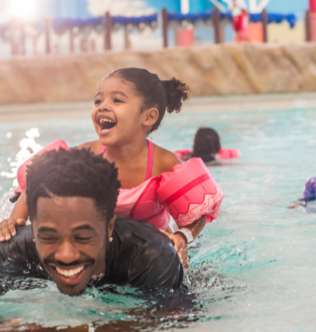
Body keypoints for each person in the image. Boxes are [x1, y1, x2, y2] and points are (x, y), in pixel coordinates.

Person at [0, 68, 223, 266]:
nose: (103, 107)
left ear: (148, 116)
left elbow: (196, 214)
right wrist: (13, 222)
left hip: (144, 253)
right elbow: (38, 178)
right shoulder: (86, 155)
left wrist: (182, 237)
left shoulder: (163, 164)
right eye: (98, 101)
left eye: (117, 100)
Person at [0, 148, 183, 296]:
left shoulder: (151, 257)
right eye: (49, 237)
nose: (66, 256)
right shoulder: (12, 252)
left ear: (109, 227)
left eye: (83, 237)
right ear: (34, 229)